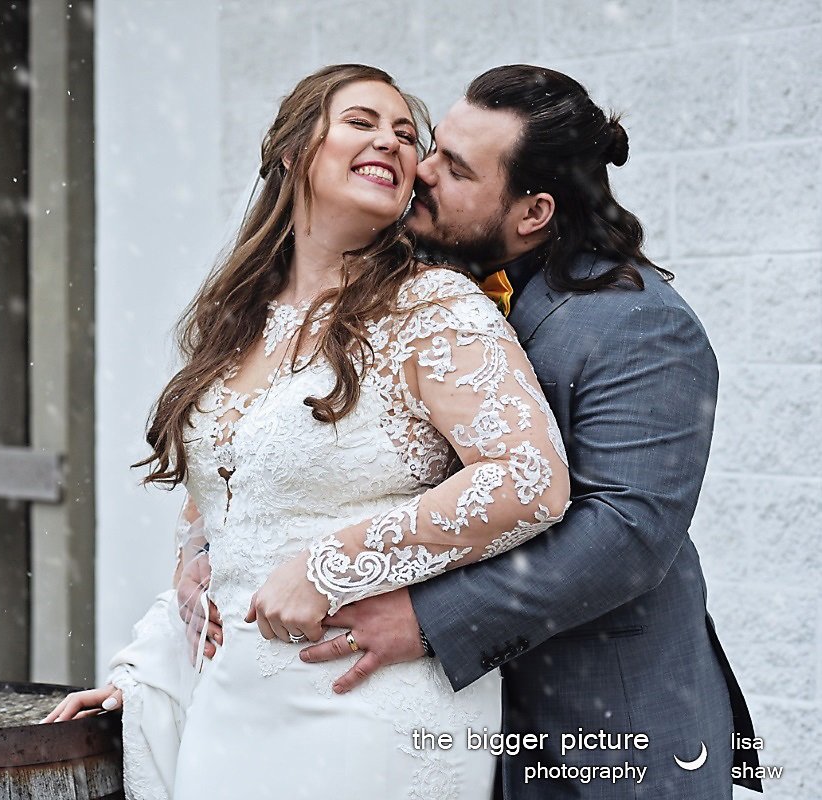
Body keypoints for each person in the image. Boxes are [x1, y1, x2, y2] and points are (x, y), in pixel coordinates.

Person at [44, 63, 570, 800]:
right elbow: (226, 520)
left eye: (404, 134)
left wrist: (330, 563)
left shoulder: (433, 310)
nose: (390, 141)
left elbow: (530, 482)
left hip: (366, 703)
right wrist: (162, 654)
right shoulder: (236, 321)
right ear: (293, 151)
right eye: (361, 121)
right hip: (232, 709)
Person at [295, 64, 763, 798]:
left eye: (453, 168)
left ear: (533, 213)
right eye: (435, 146)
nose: (418, 170)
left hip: (608, 733)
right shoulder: (412, 286)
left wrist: (425, 620)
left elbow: (627, 535)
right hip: (447, 726)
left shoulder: (640, 323)